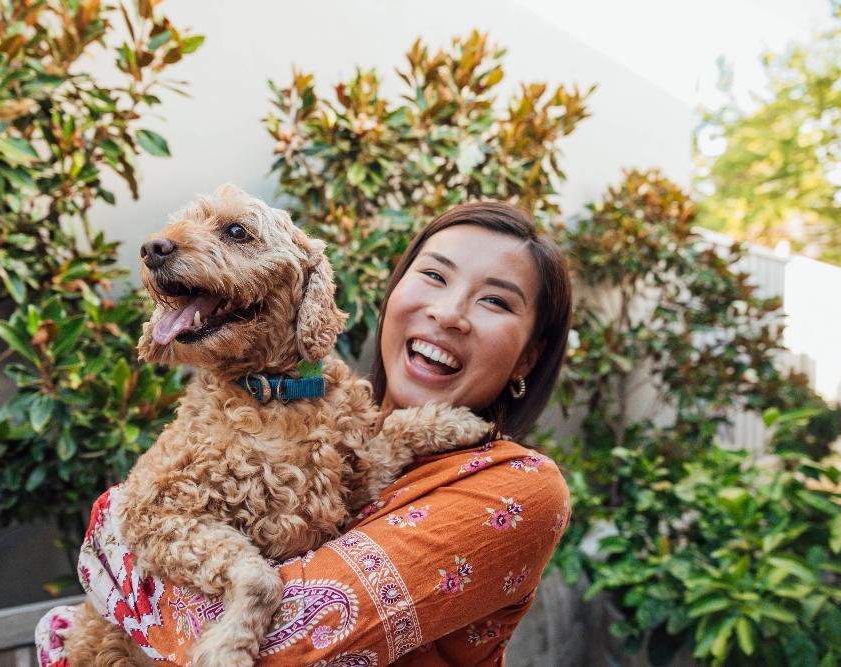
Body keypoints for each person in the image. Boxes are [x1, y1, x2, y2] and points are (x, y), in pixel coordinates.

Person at [36, 201, 573, 666]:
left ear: (529, 355)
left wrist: (117, 549)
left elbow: (296, 642)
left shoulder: (520, 488)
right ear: (393, 294)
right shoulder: (326, 415)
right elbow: (142, 518)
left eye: (495, 300)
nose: (449, 312)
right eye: (434, 276)